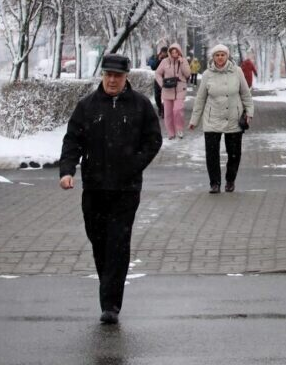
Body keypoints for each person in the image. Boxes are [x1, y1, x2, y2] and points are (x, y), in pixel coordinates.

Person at [58, 54, 163, 325]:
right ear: (102, 76)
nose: (112, 80)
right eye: (108, 75)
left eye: (117, 76)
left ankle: (111, 304)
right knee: (99, 242)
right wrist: (68, 170)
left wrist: (135, 163)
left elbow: (153, 140)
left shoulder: (140, 105)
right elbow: (72, 140)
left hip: (126, 189)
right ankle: (109, 285)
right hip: (94, 188)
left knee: (118, 242)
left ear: (126, 76)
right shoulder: (88, 106)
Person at [189, 44, 254, 194]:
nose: (220, 57)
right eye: (217, 55)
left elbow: (245, 93)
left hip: (233, 118)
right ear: (213, 57)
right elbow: (200, 98)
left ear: (227, 56)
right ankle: (215, 183)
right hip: (213, 118)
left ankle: (230, 180)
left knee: (234, 153)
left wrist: (249, 112)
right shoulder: (207, 74)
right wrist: (194, 120)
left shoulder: (237, 72)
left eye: (222, 55)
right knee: (212, 154)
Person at [154, 44, 191, 140]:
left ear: (179, 52)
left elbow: (187, 74)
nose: (174, 53)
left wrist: (182, 63)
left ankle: (179, 129)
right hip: (167, 89)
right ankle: (171, 132)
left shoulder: (184, 61)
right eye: (172, 52)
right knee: (168, 113)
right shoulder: (164, 61)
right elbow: (157, 73)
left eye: (176, 51)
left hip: (180, 89)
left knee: (178, 110)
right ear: (169, 52)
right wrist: (162, 84)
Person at [146, 45, 168, 118]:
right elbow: (153, 67)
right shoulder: (157, 57)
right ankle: (160, 107)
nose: (164, 54)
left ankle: (164, 110)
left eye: (165, 52)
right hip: (158, 79)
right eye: (163, 52)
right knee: (157, 95)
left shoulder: (169, 58)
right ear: (161, 52)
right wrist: (158, 59)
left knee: (166, 96)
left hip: (167, 79)